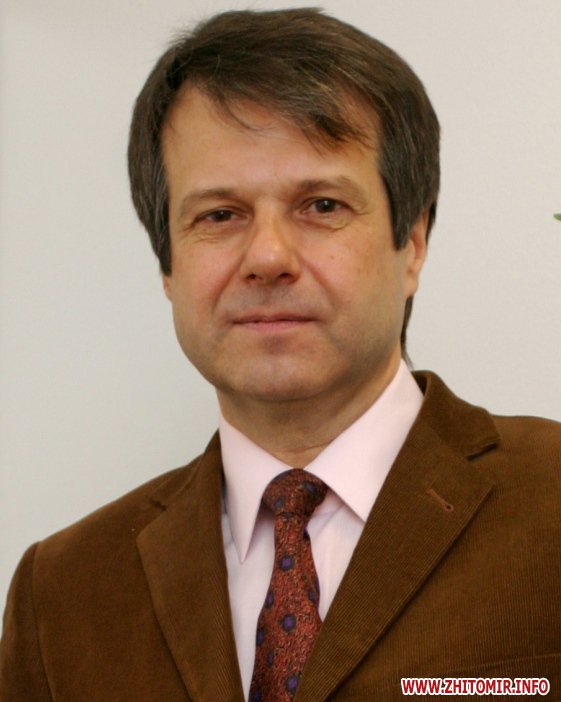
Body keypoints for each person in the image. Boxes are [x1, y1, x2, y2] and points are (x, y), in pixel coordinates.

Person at [1, 8, 560, 701]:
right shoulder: (63, 592)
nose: (267, 257)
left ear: (412, 243)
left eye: (321, 205)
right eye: (219, 215)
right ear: (168, 265)